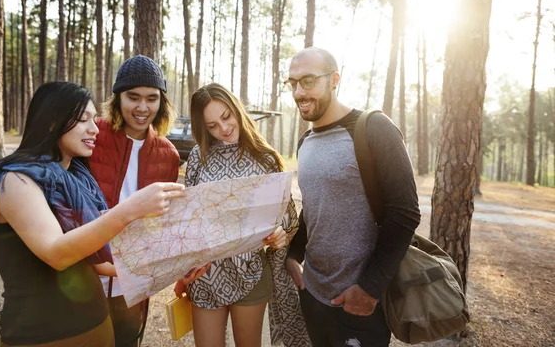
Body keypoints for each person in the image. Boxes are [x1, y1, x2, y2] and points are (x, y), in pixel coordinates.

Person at [0, 81, 185, 347]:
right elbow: (58, 254)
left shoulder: (76, 178)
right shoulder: (16, 181)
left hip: (97, 329)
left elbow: (100, 262)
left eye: (93, 119)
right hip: (42, 336)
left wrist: (177, 262)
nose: (95, 128)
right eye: (83, 119)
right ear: (53, 122)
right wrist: (130, 209)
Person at [285, 47, 421, 347]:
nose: (298, 92)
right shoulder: (305, 142)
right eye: (292, 83)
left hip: (359, 301)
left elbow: (406, 212)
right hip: (314, 293)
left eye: (308, 80)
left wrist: (370, 289)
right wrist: (294, 254)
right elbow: (313, 207)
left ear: (334, 79)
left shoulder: (374, 128)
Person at [89, 54, 207, 347]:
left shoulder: (168, 154)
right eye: (133, 97)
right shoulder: (93, 135)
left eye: (151, 98)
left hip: (133, 284)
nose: (142, 108)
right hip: (84, 278)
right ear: (118, 98)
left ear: (161, 102)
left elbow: (161, 224)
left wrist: (182, 262)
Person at [180, 83, 310, 347]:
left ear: (236, 109)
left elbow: (288, 221)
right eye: (212, 125)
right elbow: (187, 217)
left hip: (251, 272)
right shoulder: (198, 157)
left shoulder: (266, 159)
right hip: (207, 275)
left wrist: (280, 236)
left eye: (226, 117)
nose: (223, 128)